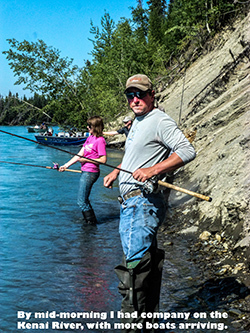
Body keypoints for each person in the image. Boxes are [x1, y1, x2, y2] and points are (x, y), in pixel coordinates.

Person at [103, 74, 196, 331]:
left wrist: (153, 170)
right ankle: (149, 323)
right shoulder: (137, 122)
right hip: (134, 204)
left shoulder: (159, 121)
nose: (135, 99)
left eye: (140, 94)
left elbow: (187, 150)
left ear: (152, 94)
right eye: (130, 95)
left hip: (141, 205)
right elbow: (135, 157)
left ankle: (132, 327)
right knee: (147, 265)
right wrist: (117, 171)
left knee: (132, 273)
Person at [59, 116, 107, 225]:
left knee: (81, 201)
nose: (87, 127)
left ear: (95, 127)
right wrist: (65, 166)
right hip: (85, 171)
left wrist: (86, 159)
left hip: (91, 172)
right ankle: (89, 222)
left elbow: (103, 160)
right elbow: (79, 155)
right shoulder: (90, 138)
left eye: (89, 126)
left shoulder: (100, 141)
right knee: (83, 200)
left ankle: (91, 223)